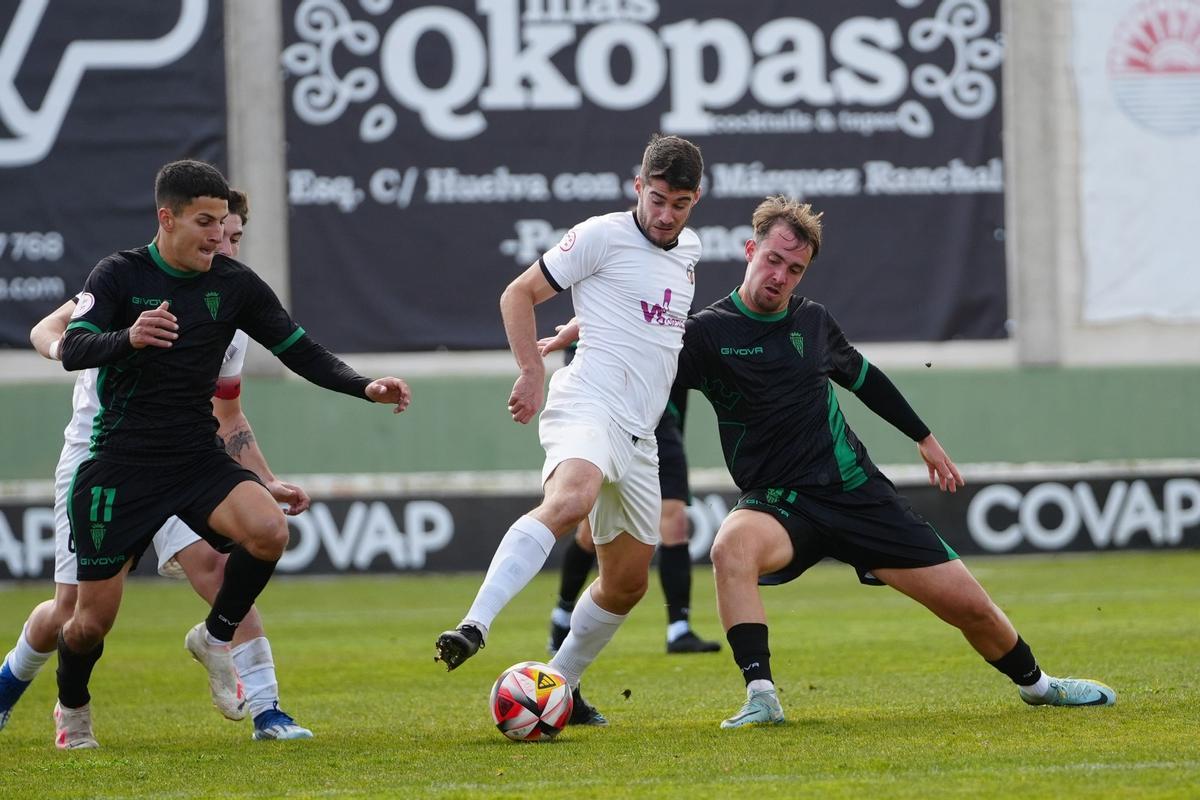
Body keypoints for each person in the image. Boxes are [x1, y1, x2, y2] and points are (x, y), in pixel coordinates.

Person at [668, 196, 1115, 727]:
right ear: (750, 250)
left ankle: (1040, 686)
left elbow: (865, 379)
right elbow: (646, 361)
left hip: (857, 494)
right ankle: (761, 695)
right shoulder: (704, 334)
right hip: (779, 504)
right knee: (729, 548)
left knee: (970, 608)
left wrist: (923, 437)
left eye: (795, 269)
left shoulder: (811, 321)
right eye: (773, 260)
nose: (781, 276)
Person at [42, 160, 411, 749]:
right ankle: (73, 710)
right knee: (88, 623)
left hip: (194, 456)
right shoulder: (118, 274)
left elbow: (300, 349)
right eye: (205, 222)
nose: (218, 236)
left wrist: (363, 385)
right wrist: (129, 337)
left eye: (224, 225)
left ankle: (215, 639)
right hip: (119, 463)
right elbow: (72, 346)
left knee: (269, 532)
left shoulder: (234, 284)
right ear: (167, 218)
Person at [0, 190, 315, 743]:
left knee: (222, 574)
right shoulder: (126, 281)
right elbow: (47, 332)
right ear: (180, 224)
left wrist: (263, 481)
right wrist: (79, 350)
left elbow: (228, 412)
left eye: (235, 236)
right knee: (74, 613)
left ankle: (268, 710)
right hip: (101, 459)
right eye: (217, 230)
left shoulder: (231, 306)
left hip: (182, 457)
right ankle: (12, 684)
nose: (224, 244)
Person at [434, 134, 704, 725]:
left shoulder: (690, 251)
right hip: (588, 403)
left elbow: (632, 300)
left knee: (627, 584)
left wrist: (578, 323)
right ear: (638, 186)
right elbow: (519, 293)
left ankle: (561, 682)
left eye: (679, 204)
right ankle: (474, 623)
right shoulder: (601, 232)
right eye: (656, 199)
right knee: (571, 498)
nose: (665, 215)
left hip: (641, 434)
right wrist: (532, 370)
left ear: (695, 200)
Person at [546, 342, 719, 655]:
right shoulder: (601, 316)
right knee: (588, 535)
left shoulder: (672, 312)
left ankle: (678, 629)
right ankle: (562, 614)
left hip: (660, 426)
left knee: (675, 521)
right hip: (611, 422)